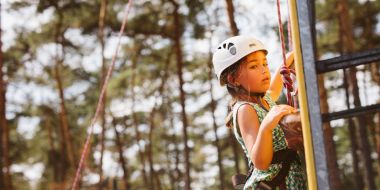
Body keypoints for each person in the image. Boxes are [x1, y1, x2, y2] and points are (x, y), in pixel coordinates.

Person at [212, 35, 306, 190]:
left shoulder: (264, 99)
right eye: (254, 66)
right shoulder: (245, 110)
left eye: (265, 63)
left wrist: (291, 56)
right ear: (233, 79)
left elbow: (275, 86)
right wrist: (267, 126)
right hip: (274, 183)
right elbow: (260, 162)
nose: (264, 70)